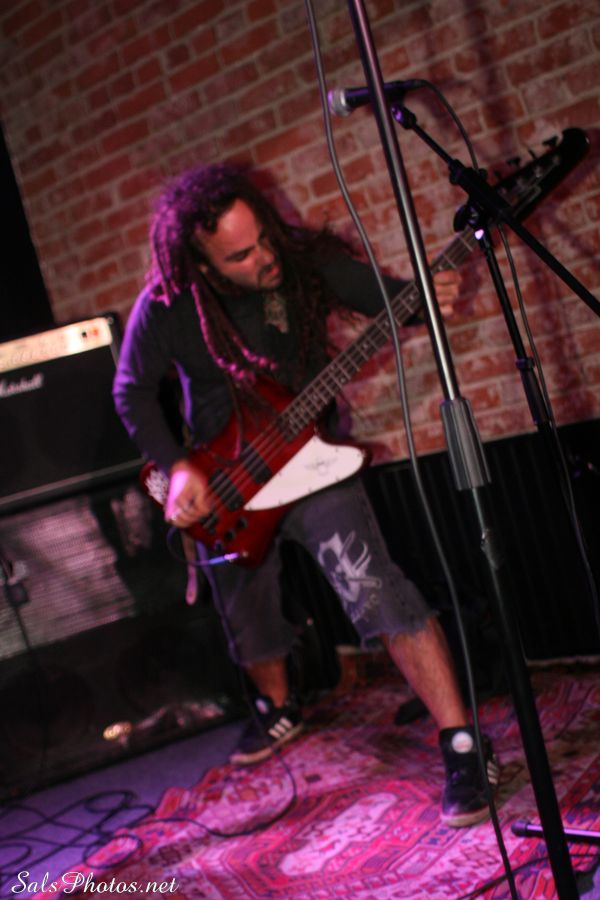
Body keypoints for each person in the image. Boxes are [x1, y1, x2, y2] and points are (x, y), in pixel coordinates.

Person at [113, 162, 499, 828]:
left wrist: (424, 293)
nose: (262, 256)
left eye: (262, 237)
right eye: (240, 255)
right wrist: (176, 467)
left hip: (316, 466)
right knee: (246, 609)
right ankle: (278, 705)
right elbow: (132, 390)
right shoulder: (168, 304)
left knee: (374, 587)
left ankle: (463, 744)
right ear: (200, 265)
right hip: (227, 487)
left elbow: (393, 301)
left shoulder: (301, 264)